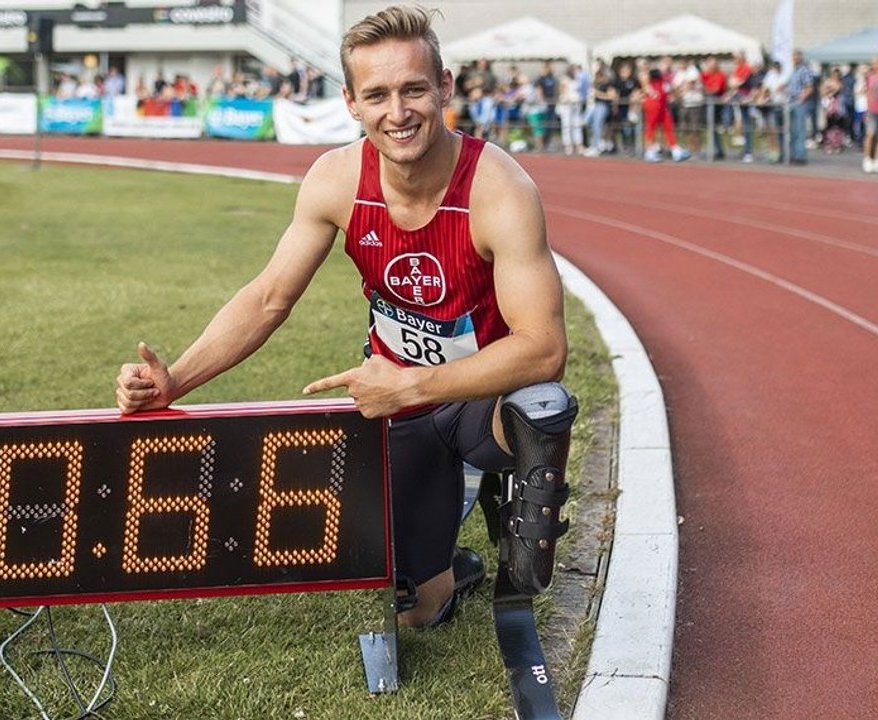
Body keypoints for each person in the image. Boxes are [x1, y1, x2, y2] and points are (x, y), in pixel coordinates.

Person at [114, 5, 576, 629]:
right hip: (398, 404)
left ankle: (522, 557)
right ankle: (452, 565)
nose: (399, 112)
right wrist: (177, 380)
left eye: (414, 89)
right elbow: (268, 297)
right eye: (378, 95)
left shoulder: (500, 190)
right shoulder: (335, 179)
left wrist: (414, 382)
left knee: (540, 403)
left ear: (444, 86)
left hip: (480, 396)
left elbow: (544, 348)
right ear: (351, 103)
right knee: (418, 614)